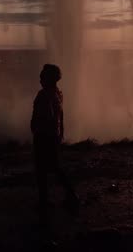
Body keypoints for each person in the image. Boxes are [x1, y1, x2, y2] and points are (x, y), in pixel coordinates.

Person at [31, 64, 79, 214]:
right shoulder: (58, 94)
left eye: (42, 76)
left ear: (49, 78)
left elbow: (48, 116)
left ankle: (47, 200)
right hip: (52, 136)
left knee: (42, 170)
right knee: (54, 167)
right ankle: (67, 195)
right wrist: (60, 132)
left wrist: (37, 129)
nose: (40, 78)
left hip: (44, 136)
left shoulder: (44, 95)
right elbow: (60, 116)